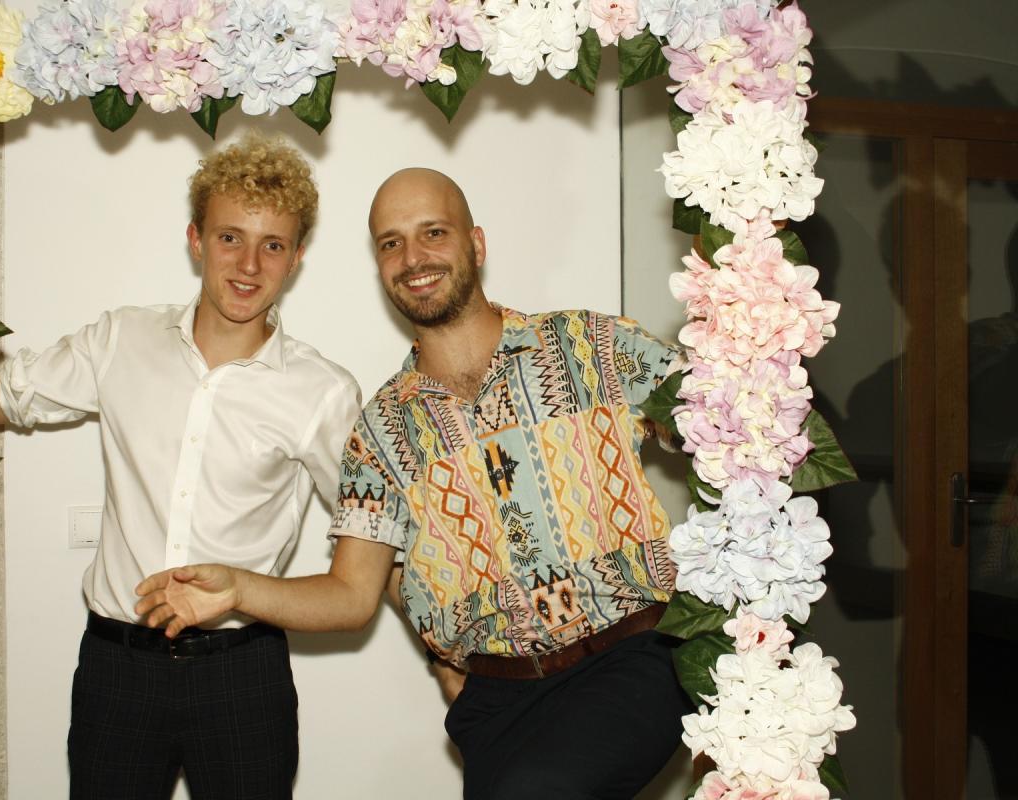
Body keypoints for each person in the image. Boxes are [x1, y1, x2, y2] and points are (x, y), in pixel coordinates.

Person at [0, 133, 361, 800]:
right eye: (230, 237)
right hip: (118, 668)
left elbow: (371, 546)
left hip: (243, 675)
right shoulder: (122, 338)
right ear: (196, 239)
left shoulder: (322, 392)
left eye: (272, 245)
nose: (249, 264)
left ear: (297, 256)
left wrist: (443, 641)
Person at [136, 167, 693, 799]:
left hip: (629, 659)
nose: (413, 257)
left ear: (475, 244)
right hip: (493, 702)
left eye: (434, 232)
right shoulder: (381, 429)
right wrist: (238, 588)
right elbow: (352, 595)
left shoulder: (592, 346)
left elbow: (729, 425)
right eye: (391, 242)